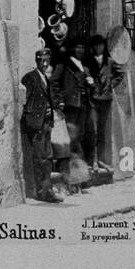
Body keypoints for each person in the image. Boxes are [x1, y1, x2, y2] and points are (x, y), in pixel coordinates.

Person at [20, 49, 63, 203]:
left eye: (47, 61)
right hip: (36, 124)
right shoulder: (30, 78)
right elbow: (26, 102)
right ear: (37, 61)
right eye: (41, 61)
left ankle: (47, 188)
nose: (44, 64)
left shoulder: (45, 78)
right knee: (40, 158)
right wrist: (32, 118)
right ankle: (42, 191)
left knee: (47, 156)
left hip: (46, 123)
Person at [53, 40, 94, 193]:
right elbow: (54, 82)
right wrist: (60, 101)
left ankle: (79, 179)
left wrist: (91, 83)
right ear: (72, 49)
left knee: (80, 138)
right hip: (70, 106)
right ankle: (69, 179)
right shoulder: (64, 65)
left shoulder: (84, 66)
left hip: (83, 106)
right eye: (78, 46)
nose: (80, 50)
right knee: (70, 141)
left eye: (82, 47)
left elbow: (88, 84)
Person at [86, 33, 123, 173]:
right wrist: (90, 82)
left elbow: (121, 74)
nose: (98, 47)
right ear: (93, 47)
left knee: (102, 132)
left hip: (106, 100)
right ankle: (93, 161)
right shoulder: (89, 61)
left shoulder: (110, 61)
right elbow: (86, 74)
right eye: (96, 45)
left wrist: (110, 85)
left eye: (100, 45)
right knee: (93, 132)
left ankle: (102, 161)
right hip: (94, 99)